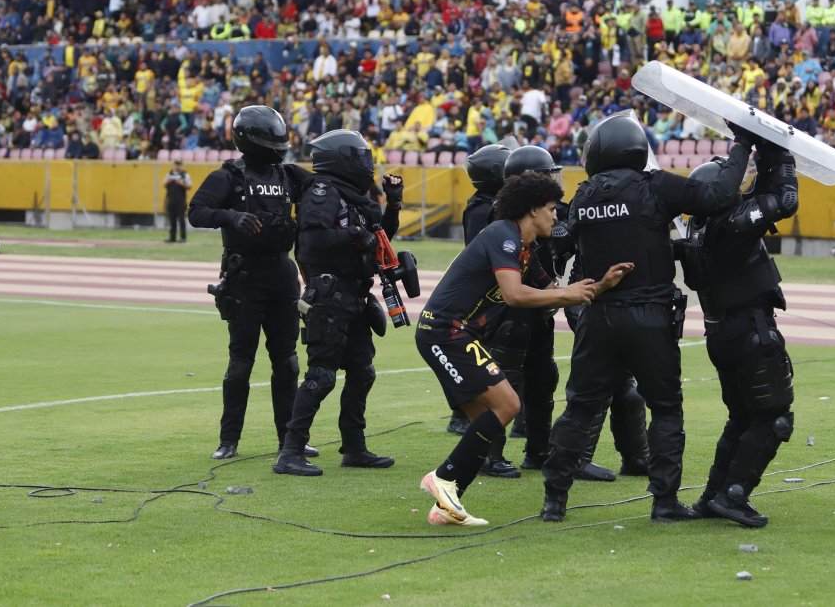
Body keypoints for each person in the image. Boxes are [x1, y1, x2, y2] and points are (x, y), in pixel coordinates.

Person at [540, 111, 751, 524]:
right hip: (651, 317)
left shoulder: (584, 196)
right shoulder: (656, 187)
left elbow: (561, 245)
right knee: (666, 408)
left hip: (598, 316)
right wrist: (742, 146)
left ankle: (554, 500)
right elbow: (718, 196)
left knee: (580, 409)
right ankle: (664, 501)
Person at [416, 171, 632, 526]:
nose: (556, 215)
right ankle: (442, 479)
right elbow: (516, 295)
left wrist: (603, 285)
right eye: (550, 208)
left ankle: (447, 502)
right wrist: (568, 293)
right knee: (509, 405)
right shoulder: (503, 236)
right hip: (443, 332)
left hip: (458, 335)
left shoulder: (525, 250)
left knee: (484, 422)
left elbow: (551, 298)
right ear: (532, 209)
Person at [677, 138, 800, 528]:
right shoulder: (731, 226)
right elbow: (783, 200)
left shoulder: (696, 231)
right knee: (773, 417)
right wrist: (780, 158)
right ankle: (735, 494)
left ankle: (713, 495)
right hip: (750, 332)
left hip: (721, 333)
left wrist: (761, 158)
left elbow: (760, 199)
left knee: (742, 418)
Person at [491, 145, 633, 482]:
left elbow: (563, 237)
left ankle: (538, 452)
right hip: (510, 313)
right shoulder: (501, 218)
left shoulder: (554, 213)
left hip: (539, 309)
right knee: (502, 385)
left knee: (543, 380)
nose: (556, 180)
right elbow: (526, 263)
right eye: (547, 174)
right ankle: (490, 455)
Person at [273, 130, 401, 476]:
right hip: (330, 295)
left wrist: (394, 203)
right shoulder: (322, 193)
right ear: (344, 159)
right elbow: (313, 242)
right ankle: (290, 452)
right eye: (362, 157)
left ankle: (354, 448)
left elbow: (381, 238)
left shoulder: (354, 197)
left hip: (355, 295)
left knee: (363, 372)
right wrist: (356, 236)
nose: (367, 164)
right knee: (322, 375)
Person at [188, 105, 312, 460]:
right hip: (244, 277)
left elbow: (324, 187)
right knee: (241, 362)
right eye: (268, 139)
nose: (276, 146)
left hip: (283, 275)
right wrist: (231, 216)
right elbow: (196, 212)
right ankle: (229, 441)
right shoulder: (228, 176)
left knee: (287, 362)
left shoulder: (289, 174)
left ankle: (290, 440)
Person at [447, 142, 512, 437]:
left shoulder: (481, 203)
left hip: (486, 288)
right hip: (483, 292)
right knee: (479, 355)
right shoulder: (483, 209)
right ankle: (462, 414)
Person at [164, 159, 192, 243]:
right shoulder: (169, 173)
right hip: (171, 199)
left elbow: (190, 186)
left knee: (181, 219)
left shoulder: (184, 174)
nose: (177, 166)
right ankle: (172, 237)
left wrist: (181, 183)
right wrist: (169, 180)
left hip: (181, 200)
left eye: (179, 164)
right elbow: (164, 184)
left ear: (181, 165)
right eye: (176, 164)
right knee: (172, 219)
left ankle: (183, 238)